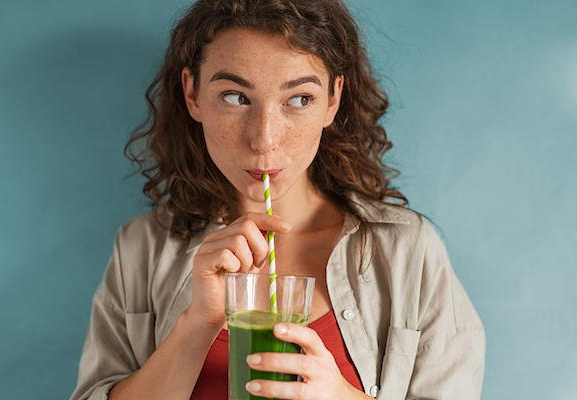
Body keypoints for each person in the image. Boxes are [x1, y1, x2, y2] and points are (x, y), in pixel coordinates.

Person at [70, 0, 485, 399]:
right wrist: (197, 324)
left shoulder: (407, 251)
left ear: (332, 100)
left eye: (299, 99)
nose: (264, 140)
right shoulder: (139, 250)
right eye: (236, 97)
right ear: (193, 94)